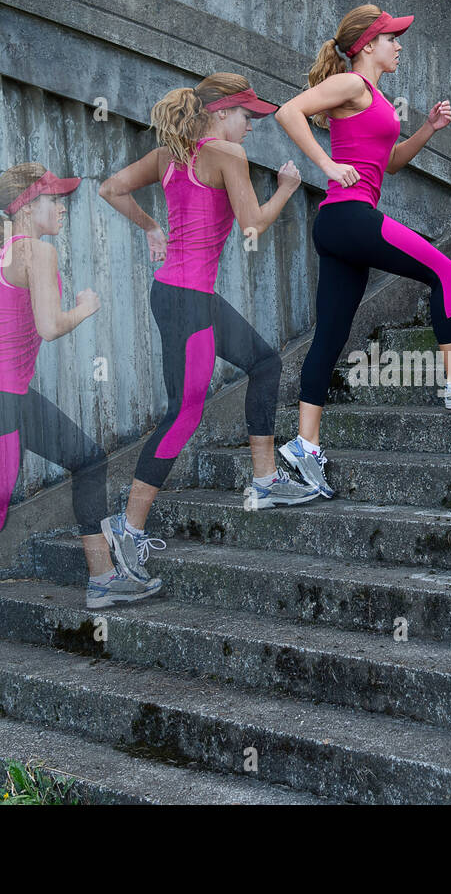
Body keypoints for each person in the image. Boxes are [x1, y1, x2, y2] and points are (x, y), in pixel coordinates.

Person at [0, 163, 157, 693]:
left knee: (87, 458)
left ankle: (103, 578)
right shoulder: (36, 252)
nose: (62, 208)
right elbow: (49, 326)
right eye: (54, 200)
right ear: (26, 207)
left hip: (3, 396)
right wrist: (85, 307)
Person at [273, 5, 451, 497]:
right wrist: (327, 165)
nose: (399, 46)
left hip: (341, 227)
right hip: (348, 215)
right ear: (366, 45)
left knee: (331, 336)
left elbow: (392, 164)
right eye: (391, 39)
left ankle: (305, 446)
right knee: (444, 270)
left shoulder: (375, 97)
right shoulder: (353, 85)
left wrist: (427, 130)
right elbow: (287, 112)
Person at [96, 74, 319, 578]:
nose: (251, 126)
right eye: (246, 116)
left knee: (263, 361)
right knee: (184, 413)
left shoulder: (169, 154)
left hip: (180, 294)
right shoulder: (227, 155)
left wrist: (152, 228)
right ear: (220, 114)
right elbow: (253, 225)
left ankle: (265, 478)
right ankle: (127, 529)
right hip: (189, 301)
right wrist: (285, 189)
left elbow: (111, 188)